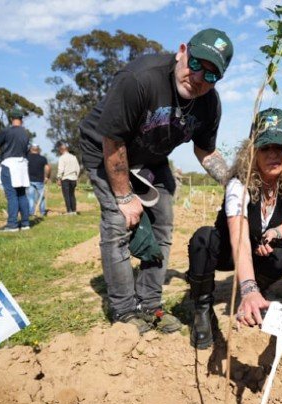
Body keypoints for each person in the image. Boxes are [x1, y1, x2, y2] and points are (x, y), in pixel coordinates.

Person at [78, 28, 234, 333]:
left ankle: (150, 305)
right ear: (182, 51)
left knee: (163, 220)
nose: (200, 78)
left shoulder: (209, 104)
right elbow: (113, 141)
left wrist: (233, 181)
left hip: (151, 156)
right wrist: (124, 198)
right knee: (118, 222)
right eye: (197, 64)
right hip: (106, 148)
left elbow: (205, 150)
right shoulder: (140, 79)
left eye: (212, 75)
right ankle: (124, 311)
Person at [187, 108, 282, 349]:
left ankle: (256, 293)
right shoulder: (238, 184)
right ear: (252, 151)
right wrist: (246, 287)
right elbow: (239, 236)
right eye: (265, 148)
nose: (273, 155)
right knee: (203, 239)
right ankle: (202, 309)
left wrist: (275, 233)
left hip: (257, 250)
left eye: (279, 148)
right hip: (228, 251)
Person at [0, 109, 31, 232]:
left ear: (11, 119)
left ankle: (12, 224)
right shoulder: (25, 133)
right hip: (22, 164)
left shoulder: (7, 131)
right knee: (22, 194)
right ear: (21, 119)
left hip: (10, 164)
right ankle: (25, 223)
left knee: (11, 195)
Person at [27, 144, 51, 217]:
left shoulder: (27, 158)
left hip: (29, 180)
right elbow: (48, 168)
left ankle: (31, 213)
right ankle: (42, 212)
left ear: (31, 149)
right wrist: (47, 177)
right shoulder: (43, 158)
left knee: (30, 197)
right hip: (40, 181)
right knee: (41, 197)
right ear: (38, 149)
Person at [56, 143, 80, 215]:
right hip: (73, 178)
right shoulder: (74, 157)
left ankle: (69, 211)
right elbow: (78, 168)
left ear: (61, 150)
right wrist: (76, 177)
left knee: (66, 195)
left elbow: (61, 169)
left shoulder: (62, 158)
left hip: (65, 179)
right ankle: (74, 211)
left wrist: (59, 178)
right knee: (72, 195)